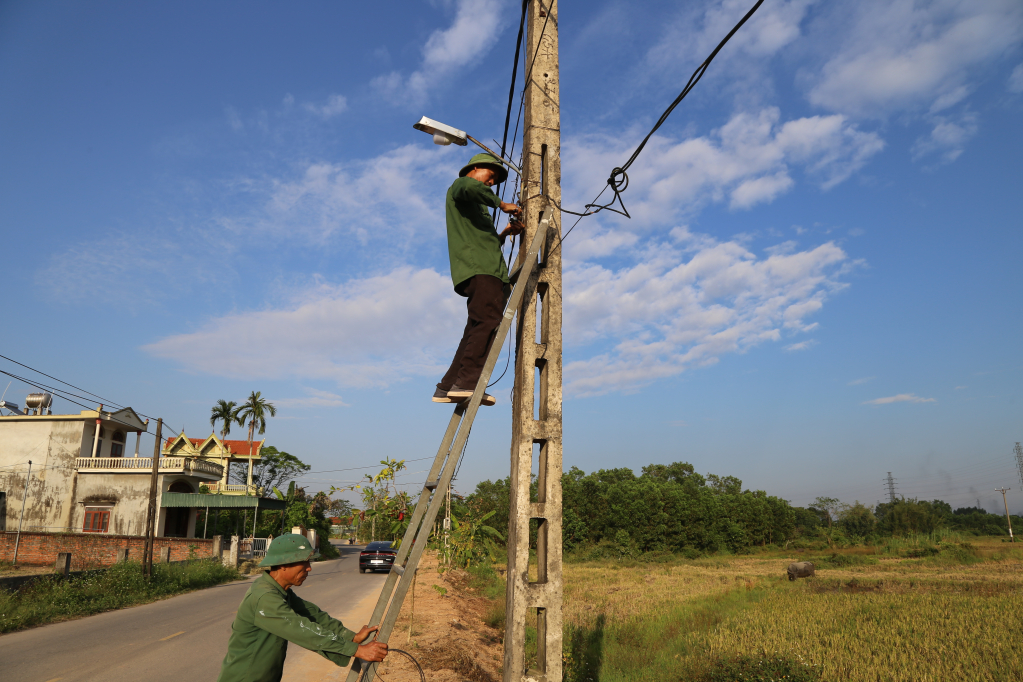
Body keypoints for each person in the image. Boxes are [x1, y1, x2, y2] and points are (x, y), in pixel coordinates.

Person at [217, 533, 388, 682]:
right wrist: (356, 650)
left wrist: (351, 637)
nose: (309, 568)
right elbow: (303, 630)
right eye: (303, 562)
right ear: (283, 564)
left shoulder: (279, 591)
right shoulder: (265, 597)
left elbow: (313, 615)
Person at [433, 152, 523, 406]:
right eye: (491, 176)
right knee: (488, 322)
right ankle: (467, 384)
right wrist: (503, 204)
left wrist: (505, 232)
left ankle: (447, 387)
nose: (492, 183)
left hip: (486, 269)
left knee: (475, 328)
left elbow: (486, 242)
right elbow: (469, 186)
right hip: (481, 270)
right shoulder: (461, 186)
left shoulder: (477, 207)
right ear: (474, 169)